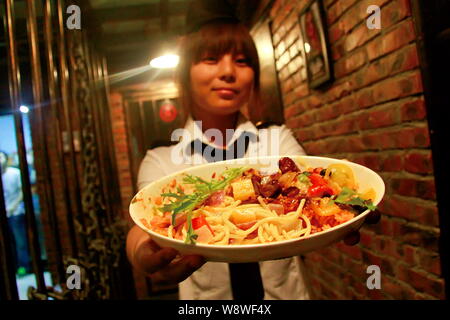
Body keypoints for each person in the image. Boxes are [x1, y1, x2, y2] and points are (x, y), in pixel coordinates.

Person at [126, 6, 379, 300]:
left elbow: (311, 187)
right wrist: (141, 255)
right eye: (210, 59)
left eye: (242, 61)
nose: (228, 72)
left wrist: (347, 205)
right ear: (185, 72)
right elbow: (144, 224)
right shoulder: (162, 157)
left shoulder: (276, 137)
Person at [1, 150, 31, 276]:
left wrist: (14, 205)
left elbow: (23, 190)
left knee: (20, 241)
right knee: (7, 242)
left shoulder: (15, 173)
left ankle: (24, 266)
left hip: (16, 212)